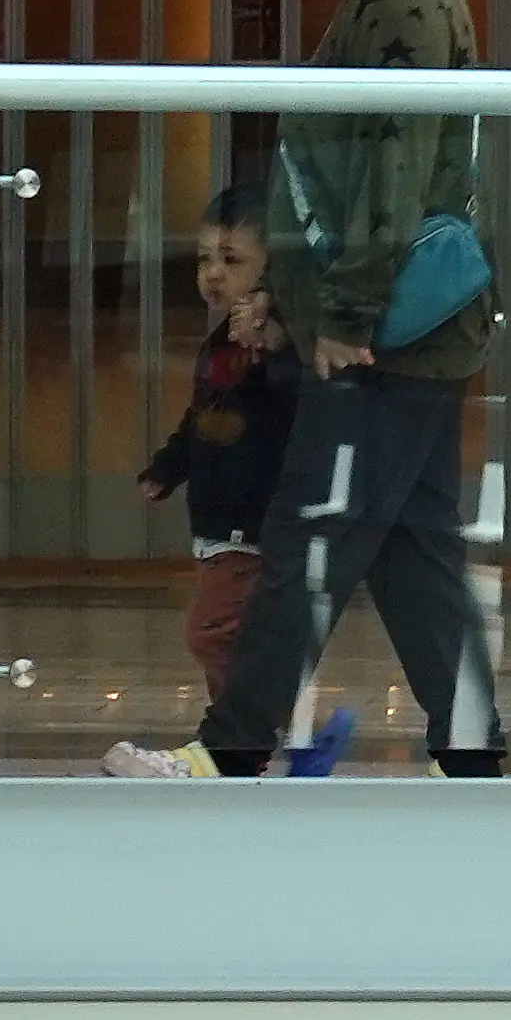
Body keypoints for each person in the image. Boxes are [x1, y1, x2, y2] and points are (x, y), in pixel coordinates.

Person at [109, 0, 506, 777]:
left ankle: (227, 751)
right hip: (401, 328)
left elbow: (394, 169)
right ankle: (475, 758)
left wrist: (346, 316)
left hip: (379, 331)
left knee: (304, 538)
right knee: (417, 557)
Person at [136, 186, 303, 703]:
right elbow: (204, 419)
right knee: (229, 635)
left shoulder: (277, 340)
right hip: (217, 522)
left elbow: (291, 399)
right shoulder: (218, 344)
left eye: (231, 260)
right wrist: (168, 467)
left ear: (269, 269)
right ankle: (233, 738)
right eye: (204, 258)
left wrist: (268, 344)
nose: (213, 273)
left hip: (251, 526)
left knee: (211, 632)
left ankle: (247, 728)